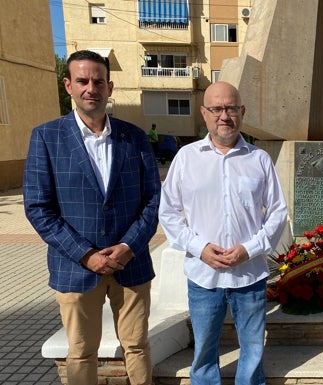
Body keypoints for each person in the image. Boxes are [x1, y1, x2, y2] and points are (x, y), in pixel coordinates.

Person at [23, 50, 161, 385]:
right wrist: (86, 254)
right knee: (82, 351)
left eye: (98, 81)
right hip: (75, 267)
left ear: (110, 87)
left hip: (131, 264)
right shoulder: (46, 137)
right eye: (82, 81)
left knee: (138, 346)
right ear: (68, 85)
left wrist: (129, 245)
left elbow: (153, 200)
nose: (91, 88)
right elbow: (38, 207)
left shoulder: (135, 137)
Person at [158, 81, 288, 385]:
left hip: (250, 274)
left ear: (241, 112)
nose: (224, 115)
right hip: (204, 275)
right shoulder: (186, 158)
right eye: (216, 108)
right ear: (204, 113)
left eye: (230, 108)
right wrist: (200, 247)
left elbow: (278, 212)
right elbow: (168, 212)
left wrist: (250, 248)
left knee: (253, 350)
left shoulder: (259, 160)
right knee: (204, 351)